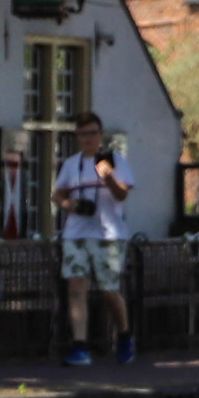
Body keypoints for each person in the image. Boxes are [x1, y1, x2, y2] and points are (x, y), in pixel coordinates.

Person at [52, 112, 135, 366]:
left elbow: (121, 195)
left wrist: (107, 176)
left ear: (100, 134)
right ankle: (80, 346)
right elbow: (57, 196)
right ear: (77, 137)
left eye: (92, 133)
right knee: (76, 287)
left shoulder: (116, 161)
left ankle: (124, 336)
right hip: (76, 233)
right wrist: (71, 204)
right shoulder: (71, 164)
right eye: (82, 134)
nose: (87, 138)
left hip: (108, 235)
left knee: (108, 290)